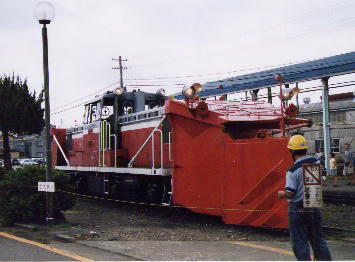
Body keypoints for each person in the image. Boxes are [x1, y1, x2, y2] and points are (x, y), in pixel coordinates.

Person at [278, 135, 332, 261]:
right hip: (314, 205)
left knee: (300, 242)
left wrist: (281, 194)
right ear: (305, 149)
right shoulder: (316, 161)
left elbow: (290, 193)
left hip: (298, 209)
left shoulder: (292, 170)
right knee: (318, 240)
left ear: (291, 151)